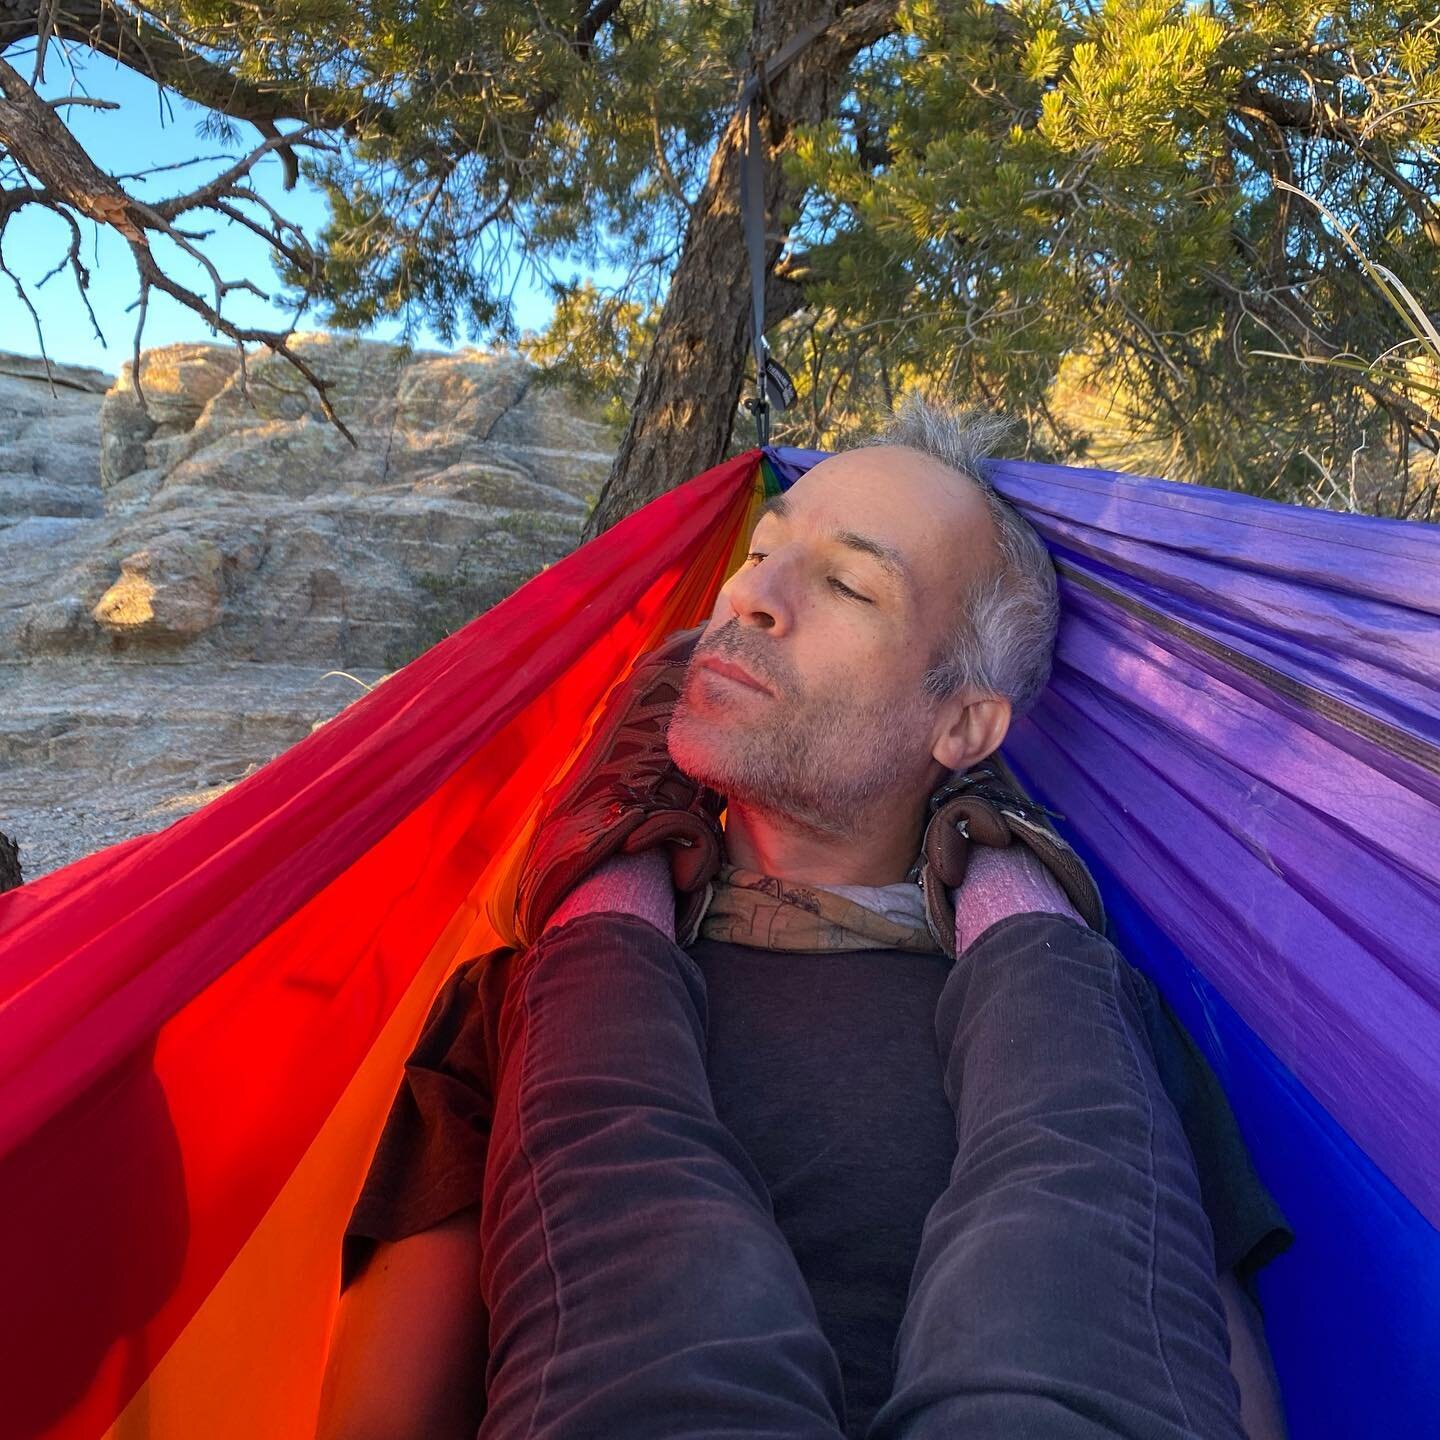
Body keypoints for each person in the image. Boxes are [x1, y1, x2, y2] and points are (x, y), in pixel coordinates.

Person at [318, 399, 1292, 1440]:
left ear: (963, 721)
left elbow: (1213, 1382)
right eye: (765, 551)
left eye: (847, 584)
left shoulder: (1111, 1017)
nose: (751, 599)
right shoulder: (513, 999)